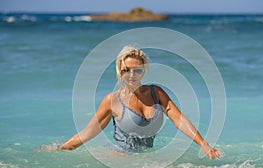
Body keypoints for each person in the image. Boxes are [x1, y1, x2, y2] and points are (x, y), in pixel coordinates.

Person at [52, 45, 220, 159]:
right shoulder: (112, 100)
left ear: (143, 70)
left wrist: (203, 144)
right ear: (120, 71)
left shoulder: (156, 93)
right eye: (126, 70)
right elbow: (87, 133)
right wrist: (59, 149)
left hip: (144, 159)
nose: (131, 75)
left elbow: (179, 119)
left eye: (137, 70)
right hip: (119, 159)